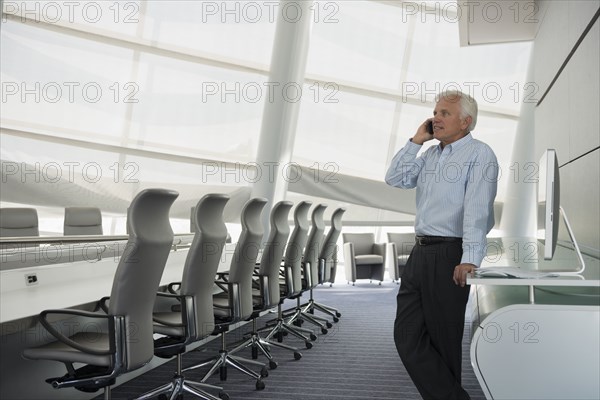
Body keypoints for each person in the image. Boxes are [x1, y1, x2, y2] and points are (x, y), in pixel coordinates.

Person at [385, 90, 498, 400]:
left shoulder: (479, 154)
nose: (436, 117)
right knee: (405, 334)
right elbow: (395, 178)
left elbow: (477, 210)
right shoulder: (430, 154)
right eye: (435, 112)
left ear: (466, 121)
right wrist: (415, 141)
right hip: (420, 253)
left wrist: (470, 258)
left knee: (443, 342)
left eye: (445, 113)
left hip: (450, 254)